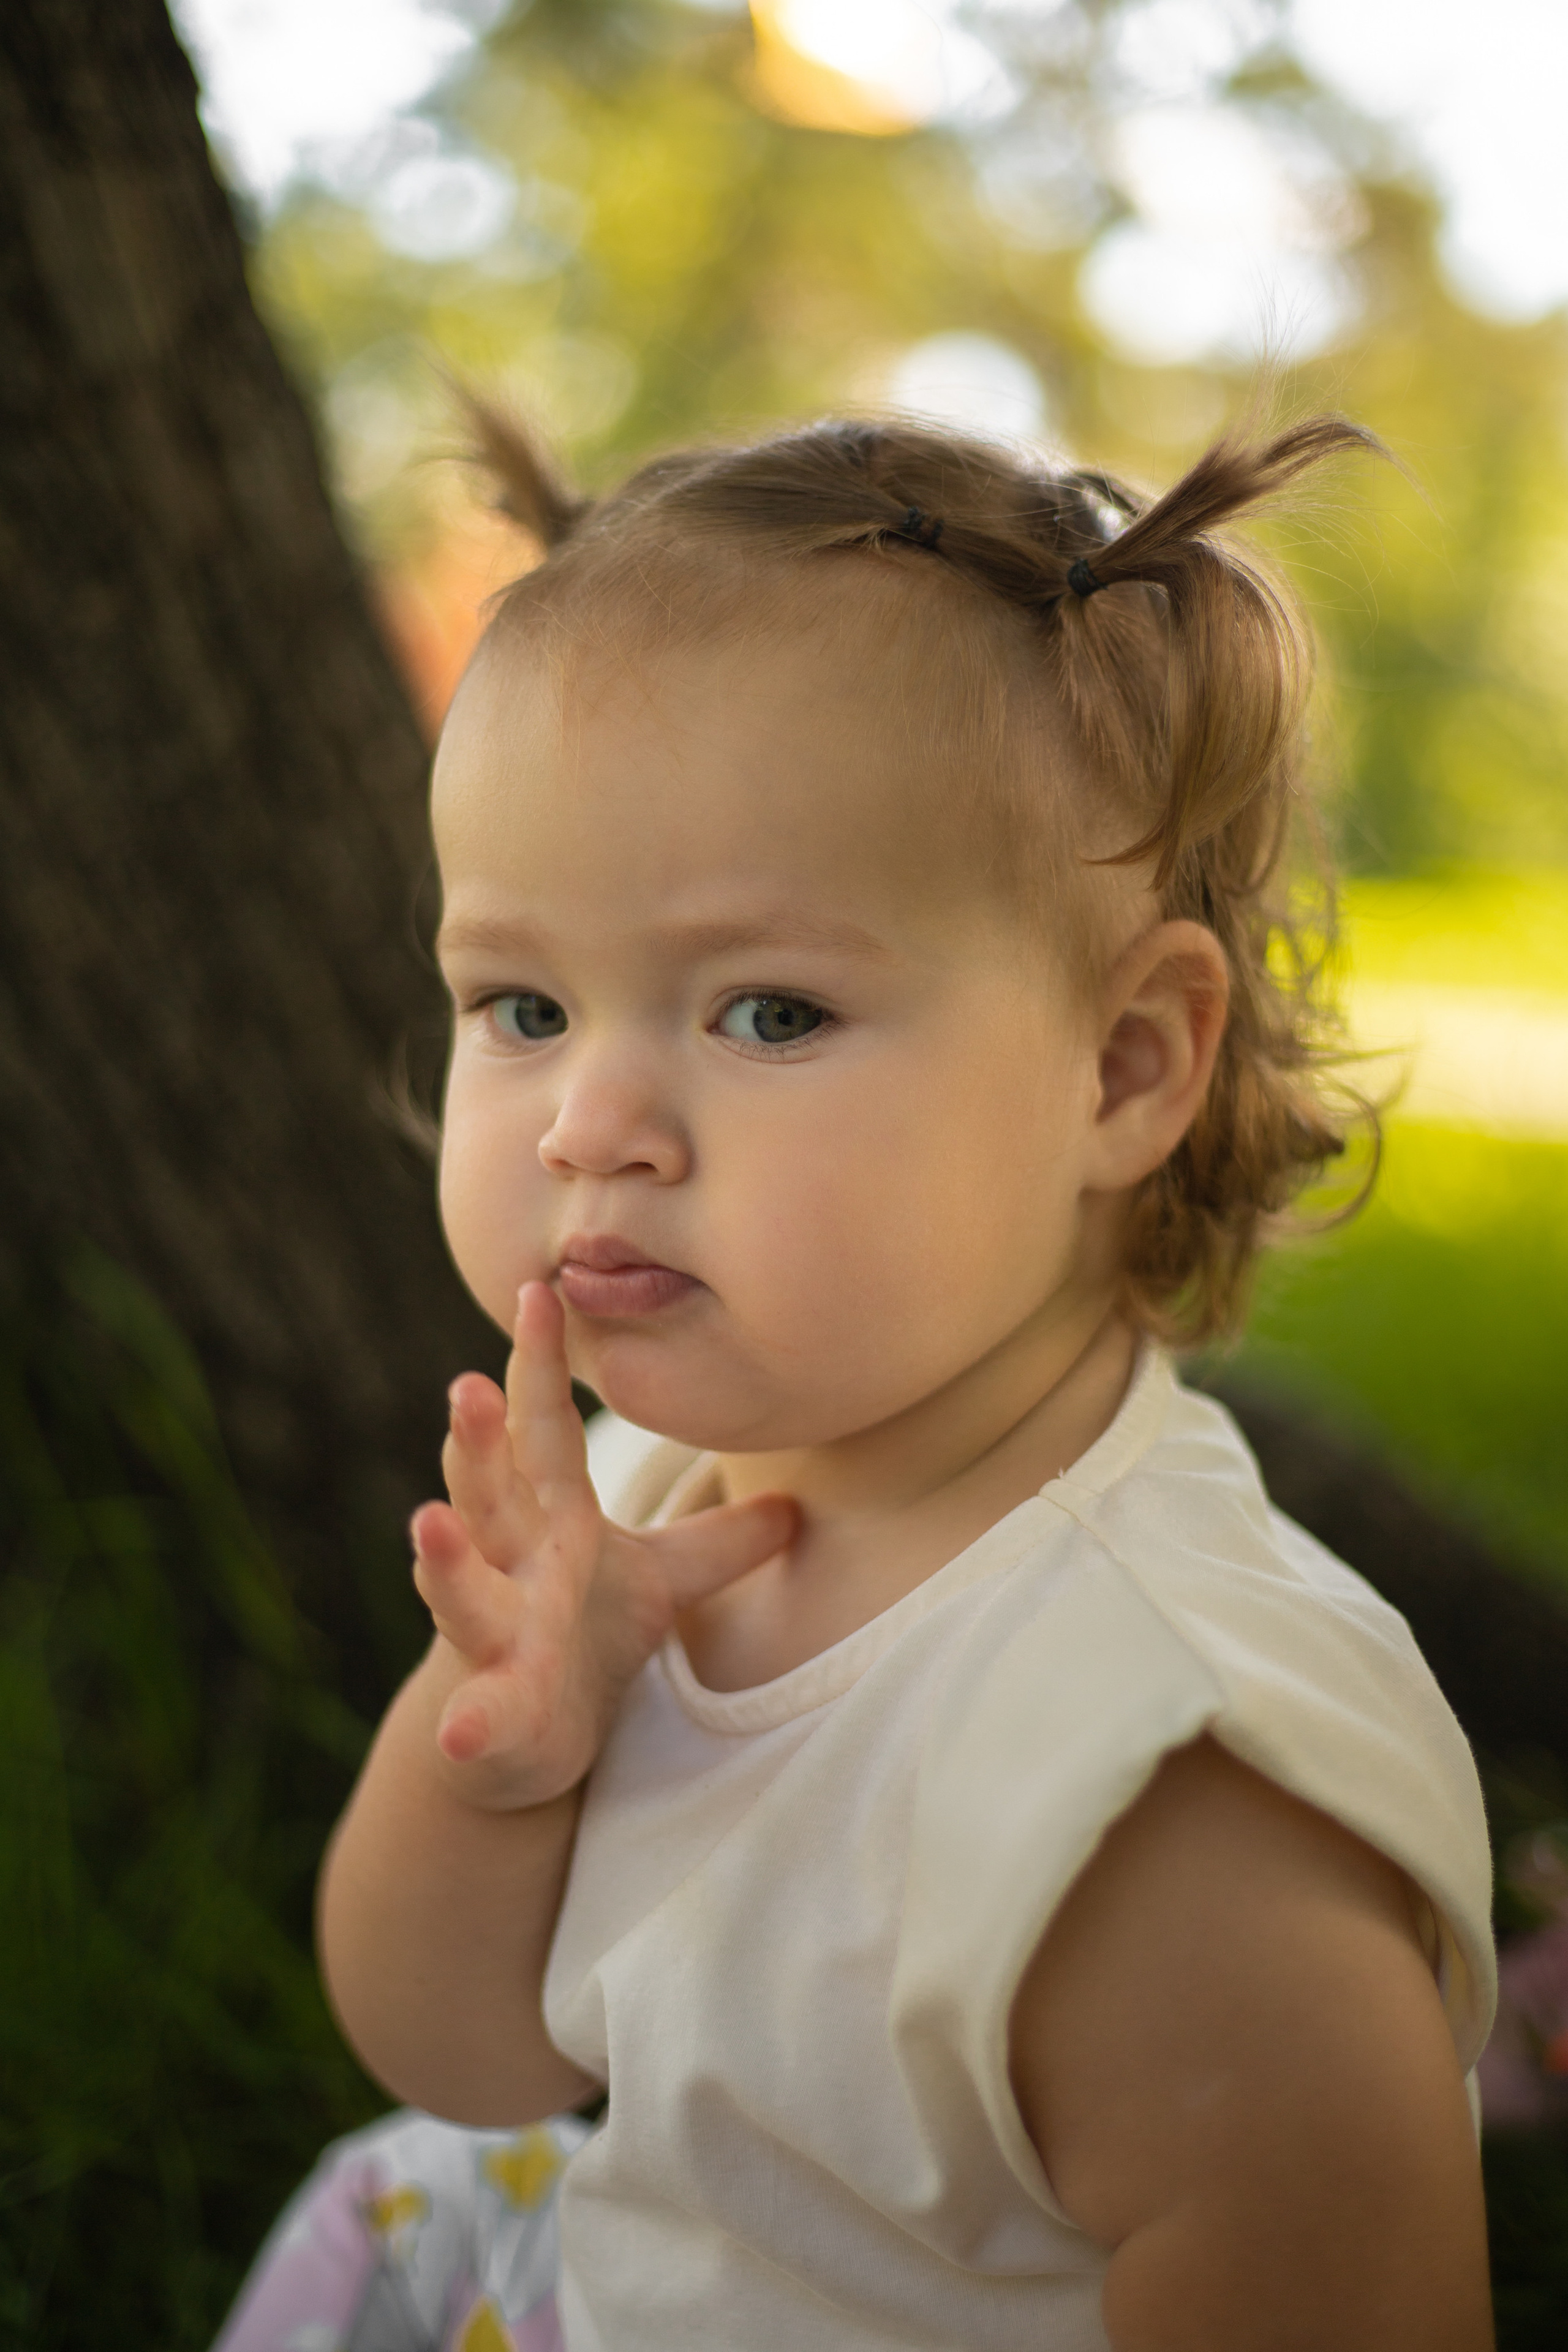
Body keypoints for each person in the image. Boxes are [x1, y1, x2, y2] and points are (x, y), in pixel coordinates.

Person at [214, 411, 1498, 2352]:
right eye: (526, 1006)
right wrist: (509, 1752)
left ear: (1125, 1065)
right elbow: (463, 2054)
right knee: (411, 2190)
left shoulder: (1162, 1801)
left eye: (770, 1011)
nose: (595, 1123)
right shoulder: (651, 1494)